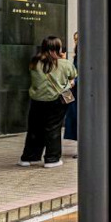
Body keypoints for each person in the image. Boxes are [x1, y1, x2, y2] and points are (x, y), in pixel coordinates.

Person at [19, 36, 77, 168]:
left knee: (35, 128)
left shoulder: (34, 62)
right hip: (57, 100)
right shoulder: (64, 63)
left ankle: (28, 158)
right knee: (53, 128)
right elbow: (72, 76)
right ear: (58, 48)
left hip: (37, 100)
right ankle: (52, 159)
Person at [63, 31, 79, 146]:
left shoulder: (83, 54)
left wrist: (74, 81)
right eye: (75, 39)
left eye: (77, 39)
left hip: (78, 90)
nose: (76, 42)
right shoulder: (77, 55)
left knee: (77, 116)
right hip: (73, 90)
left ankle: (83, 146)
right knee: (73, 115)